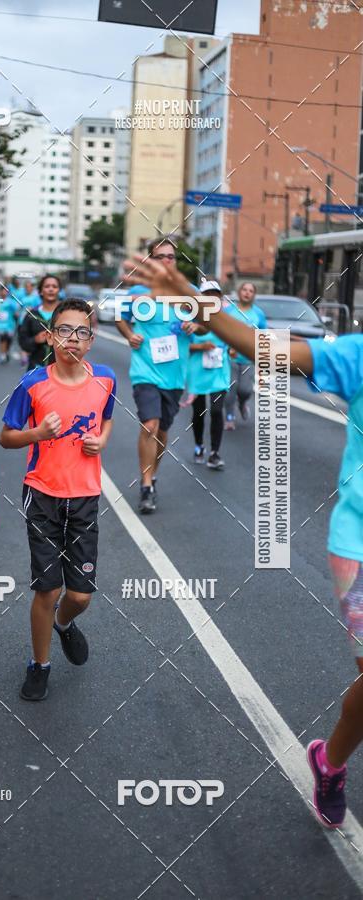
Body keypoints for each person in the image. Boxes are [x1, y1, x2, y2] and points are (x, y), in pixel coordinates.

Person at [122, 251, 363, 831]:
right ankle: (333, 766)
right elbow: (266, 351)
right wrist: (191, 298)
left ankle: (328, 761)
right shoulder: (357, 354)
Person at [0, 299, 116, 701]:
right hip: (42, 494)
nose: (73, 339)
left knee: (80, 595)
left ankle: (64, 625)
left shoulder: (105, 379)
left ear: (91, 339)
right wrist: (37, 435)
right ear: (50, 337)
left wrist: (102, 441)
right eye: (64, 331)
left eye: (82, 332)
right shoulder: (32, 383)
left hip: (84, 496)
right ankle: (40, 664)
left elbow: (108, 417)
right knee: (47, 590)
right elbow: (6, 436)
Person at [115, 238, 201, 514]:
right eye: (160, 256)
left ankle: (152, 475)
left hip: (175, 374)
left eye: (171, 257)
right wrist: (130, 335)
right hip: (145, 369)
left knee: (162, 431)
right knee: (149, 425)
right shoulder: (139, 292)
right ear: (151, 261)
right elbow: (119, 316)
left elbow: (208, 324)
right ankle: (145, 484)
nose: (166, 260)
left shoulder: (188, 293)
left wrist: (194, 325)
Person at [186, 280, 230, 470]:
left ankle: (215, 453)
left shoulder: (226, 320)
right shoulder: (190, 318)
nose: (212, 298)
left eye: (215, 294)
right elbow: (181, 347)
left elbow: (234, 340)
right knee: (199, 411)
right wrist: (200, 346)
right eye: (207, 294)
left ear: (220, 298)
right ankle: (198, 445)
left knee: (217, 410)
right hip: (197, 372)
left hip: (220, 372)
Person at [224, 281, 267, 430]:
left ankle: (242, 403)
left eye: (250, 290)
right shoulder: (229, 311)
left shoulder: (258, 314)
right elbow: (221, 331)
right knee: (230, 388)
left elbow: (262, 336)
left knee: (245, 390)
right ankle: (229, 417)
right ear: (239, 292)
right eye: (244, 289)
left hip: (248, 358)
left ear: (254, 295)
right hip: (230, 357)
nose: (247, 293)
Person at [17, 274, 61, 371]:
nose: (51, 289)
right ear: (40, 291)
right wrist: (35, 340)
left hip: (61, 371)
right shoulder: (31, 315)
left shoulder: (66, 314)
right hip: (36, 369)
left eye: (54, 286)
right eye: (47, 286)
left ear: (59, 290)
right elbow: (22, 342)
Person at [0, 285, 18, 364]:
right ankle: (3, 356)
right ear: (0, 291)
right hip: (0, 324)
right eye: (2, 290)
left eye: (5, 291)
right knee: (2, 339)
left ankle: (6, 351)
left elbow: (16, 310)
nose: (4, 292)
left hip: (9, 324)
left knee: (9, 340)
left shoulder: (11, 301)